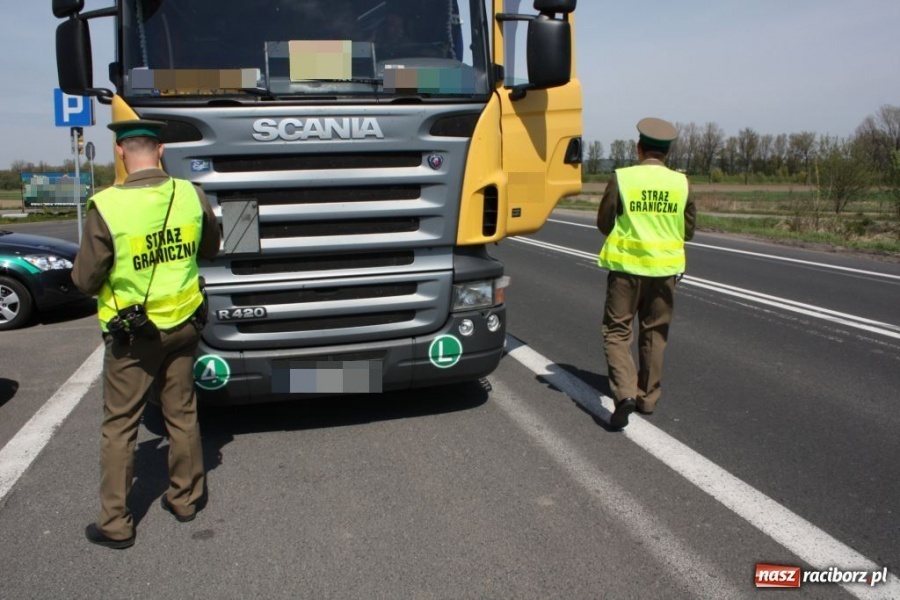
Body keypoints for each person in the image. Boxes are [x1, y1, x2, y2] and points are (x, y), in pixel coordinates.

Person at [73, 119, 221, 549]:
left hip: (133, 338)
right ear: (160, 151)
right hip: (185, 324)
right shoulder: (190, 194)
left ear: (121, 153)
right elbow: (208, 248)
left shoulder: (107, 205)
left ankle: (116, 525)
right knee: (182, 414)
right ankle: (186, 498)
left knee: (120, 425)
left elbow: (85, 280)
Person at [596, 117, 696, 430]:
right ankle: (647, 398)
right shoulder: (681, 183)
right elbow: (689, 231)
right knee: (654, 331)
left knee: (617, 331)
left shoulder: (623, 178)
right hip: (665, 271)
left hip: (627, 269)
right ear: (667, 153)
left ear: (639, 148)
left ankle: (624, 392)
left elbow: (604, 222)